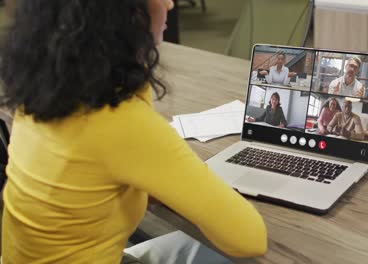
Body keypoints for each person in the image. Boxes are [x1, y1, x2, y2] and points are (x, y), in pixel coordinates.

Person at [0, 0, 267, 263]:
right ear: (123, 12)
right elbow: (250, 238)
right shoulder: (118, 122)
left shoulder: (42, 95)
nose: (170, 5)